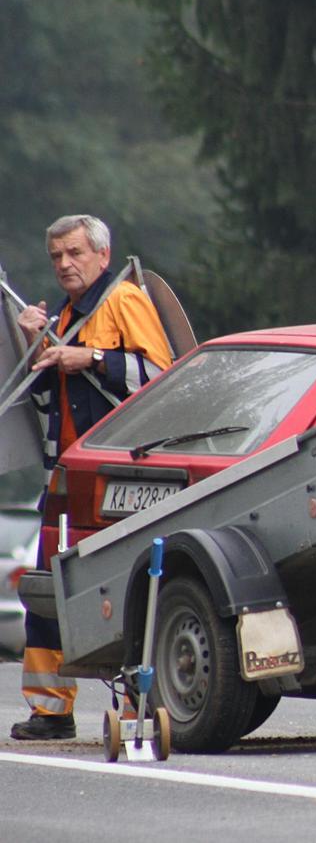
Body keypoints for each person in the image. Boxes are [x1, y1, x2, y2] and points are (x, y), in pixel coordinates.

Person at [10, 215, 172, 740]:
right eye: (56, 256)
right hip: (65, 479)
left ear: (102, 256)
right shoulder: (58, 313)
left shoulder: (124, 302)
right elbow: (40, 400)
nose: (64, 264)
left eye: (74, 253)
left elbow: (162, 378)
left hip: (119, 477)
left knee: (126, 590)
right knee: (47, 593)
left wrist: (93, 357)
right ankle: (49, 711)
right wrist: (35, 348)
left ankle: (135, 708)